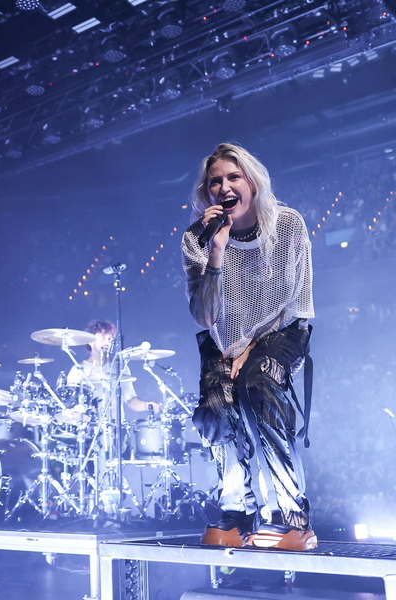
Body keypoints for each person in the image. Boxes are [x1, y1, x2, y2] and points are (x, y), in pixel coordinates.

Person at [181, 143, 316, 550]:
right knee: (215, 404)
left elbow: (296, 299)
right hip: (223, 338)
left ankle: (292, 516)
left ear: (252, 183)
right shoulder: (197, 239)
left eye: (233, 177)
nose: (224, 187)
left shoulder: (287, 225)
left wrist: (252, 347)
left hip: (284, 329)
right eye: (215, 182)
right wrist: (216, 252)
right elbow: (204, 316)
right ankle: (237, 512)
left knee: (258, 383)